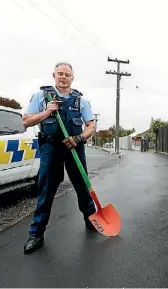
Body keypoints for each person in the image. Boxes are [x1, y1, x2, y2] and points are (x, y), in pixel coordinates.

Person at [22, 62, 97, 254]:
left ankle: (91, 220)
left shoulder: (80, 100)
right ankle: (36, 234)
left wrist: (79, 138)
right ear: (54, 75)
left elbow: (91, 125)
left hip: (74, 147)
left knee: (82, 186)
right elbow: (26, 121)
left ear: (72, 78)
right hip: (51, 147)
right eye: (60, 74)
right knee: (46, 190)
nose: (63, 77)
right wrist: (47, 111)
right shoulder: (42, 96)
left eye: (67, 74)